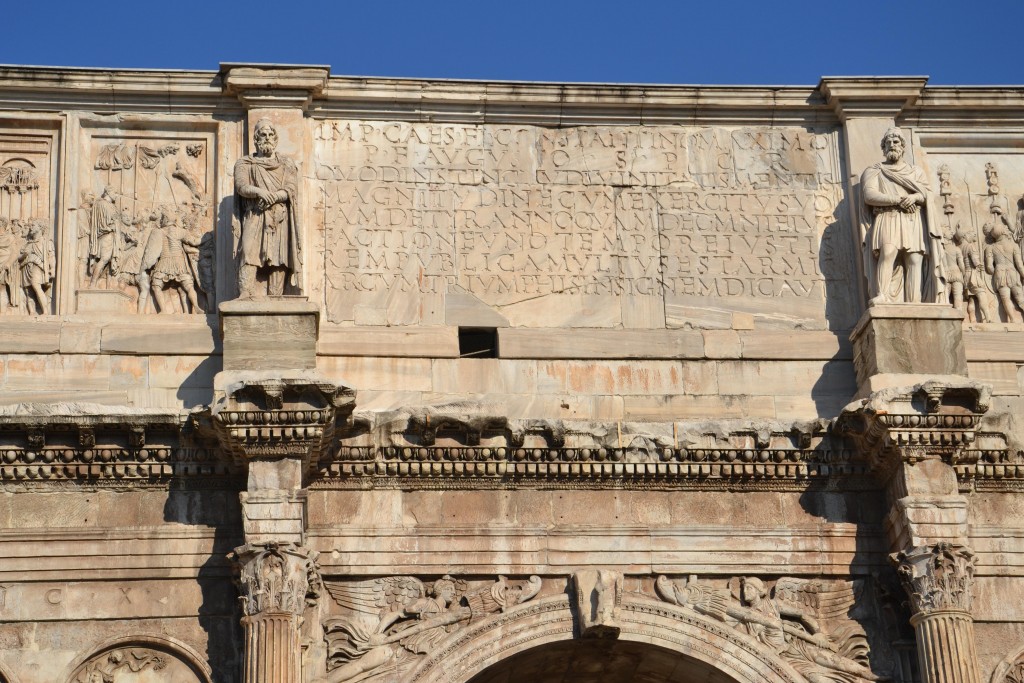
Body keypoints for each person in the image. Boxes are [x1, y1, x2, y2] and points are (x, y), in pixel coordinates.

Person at [861, 128, 945, 304]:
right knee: (888, 252)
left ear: (903, 146)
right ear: (883, 147)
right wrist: (898, 200)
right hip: (887, 216)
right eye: (888, 142)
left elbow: (927, 194)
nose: (892, 145)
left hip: (913, 219)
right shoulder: (875, 170)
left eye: (896, 141)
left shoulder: (916, 172)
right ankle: (882, 294)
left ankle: (914, 302)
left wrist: (914, 196)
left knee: (914, 259)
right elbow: (869, 196)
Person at [234, 118, 301, 297]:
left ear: (276, 138)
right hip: (254, 213)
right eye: (263, 134)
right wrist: (259, 192)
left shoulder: (286, 163)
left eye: (271, 134)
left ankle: (276, 295)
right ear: (256, 139)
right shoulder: (245, 163)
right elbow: (241, 186)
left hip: (279, 215)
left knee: (278, 255)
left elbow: (291, 188)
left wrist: (274, 197)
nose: (267, 138)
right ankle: (245, 293)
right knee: (248, 251)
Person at [88, 186, 123, 287]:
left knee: (109, 260)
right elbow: (104, 221)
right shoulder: (101, 203)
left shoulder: (111, 205)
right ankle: (93, 283)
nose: (117, 195)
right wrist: (112, 223)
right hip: (106, 235)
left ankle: (107, 285)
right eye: (115, 192)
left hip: (113, 236)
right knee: (104, 259)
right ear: (109, 192)